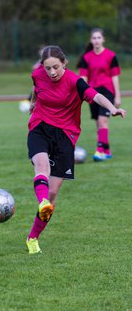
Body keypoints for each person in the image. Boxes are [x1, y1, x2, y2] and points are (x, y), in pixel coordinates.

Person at [26, 45, 126, 255]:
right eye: (47, 68)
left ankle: (33, 237)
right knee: (41, 165)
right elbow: (36, 88)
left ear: (64, 64)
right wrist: (34, 104)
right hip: (40, 127)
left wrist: (112, 108)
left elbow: (96, 96)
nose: (52, 72)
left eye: (55, 67)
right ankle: (42, 202)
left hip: (65, 136)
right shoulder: (37, 74)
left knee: (53, 192)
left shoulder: (75, 81)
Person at [77, 28, 122, 161]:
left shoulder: (111, 55)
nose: (96, 40)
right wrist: (82, 94)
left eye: (99, 38)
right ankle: (107, 150)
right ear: (91, 40)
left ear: (103, 39)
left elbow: (115, 77)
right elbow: (83, 77)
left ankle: (99, 151)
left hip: (107, 91)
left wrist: (118, 95)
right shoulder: (86, 57)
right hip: (93, 93)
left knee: (103, 121)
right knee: (99, 123)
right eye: (94, 38)